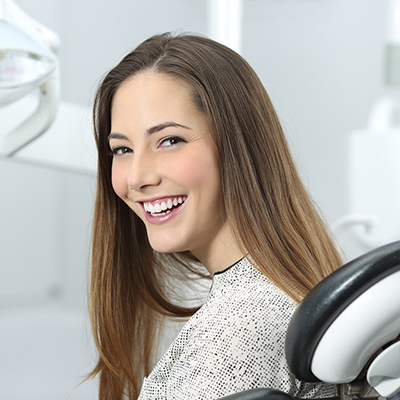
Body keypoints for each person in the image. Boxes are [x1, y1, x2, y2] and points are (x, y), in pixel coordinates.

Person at [88, 32, 343, 400]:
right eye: (122, 149)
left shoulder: (243, 323)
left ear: (239, 146)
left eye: (170, 140)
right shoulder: (268, 295)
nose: (138, 177)